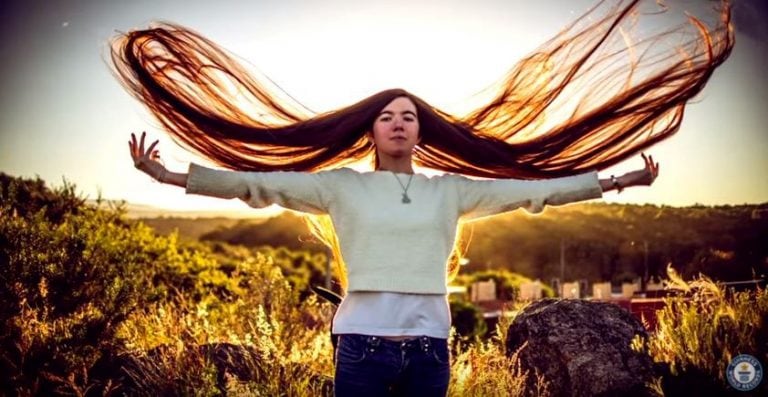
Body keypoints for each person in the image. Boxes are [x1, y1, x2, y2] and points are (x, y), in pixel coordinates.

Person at [116, 1, 731, 395]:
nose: (398, 122)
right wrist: (171, 177)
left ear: (421, 128)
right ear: (372, 129)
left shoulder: (451, 192)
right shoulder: (340, 186)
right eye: (386, 115)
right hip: (361, 348)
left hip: (432, 349)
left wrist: (617, 181)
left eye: (409, 115)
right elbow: (257, 184)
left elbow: (534, 194)